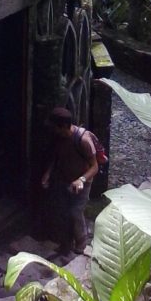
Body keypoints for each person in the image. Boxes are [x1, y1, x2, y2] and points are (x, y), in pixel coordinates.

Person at [41, 107, 98, 254]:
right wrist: (48, 173)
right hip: (64, 179)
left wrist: (81, 179)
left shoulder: (84, 140)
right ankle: (65, 244)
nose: (53, 131)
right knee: (62, 212)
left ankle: (81, 243)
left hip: (82, 183)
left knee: (75, 212)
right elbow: (57, 156)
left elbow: (94, 167)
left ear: (64, 126)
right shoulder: (59, 137)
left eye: (55, 127)